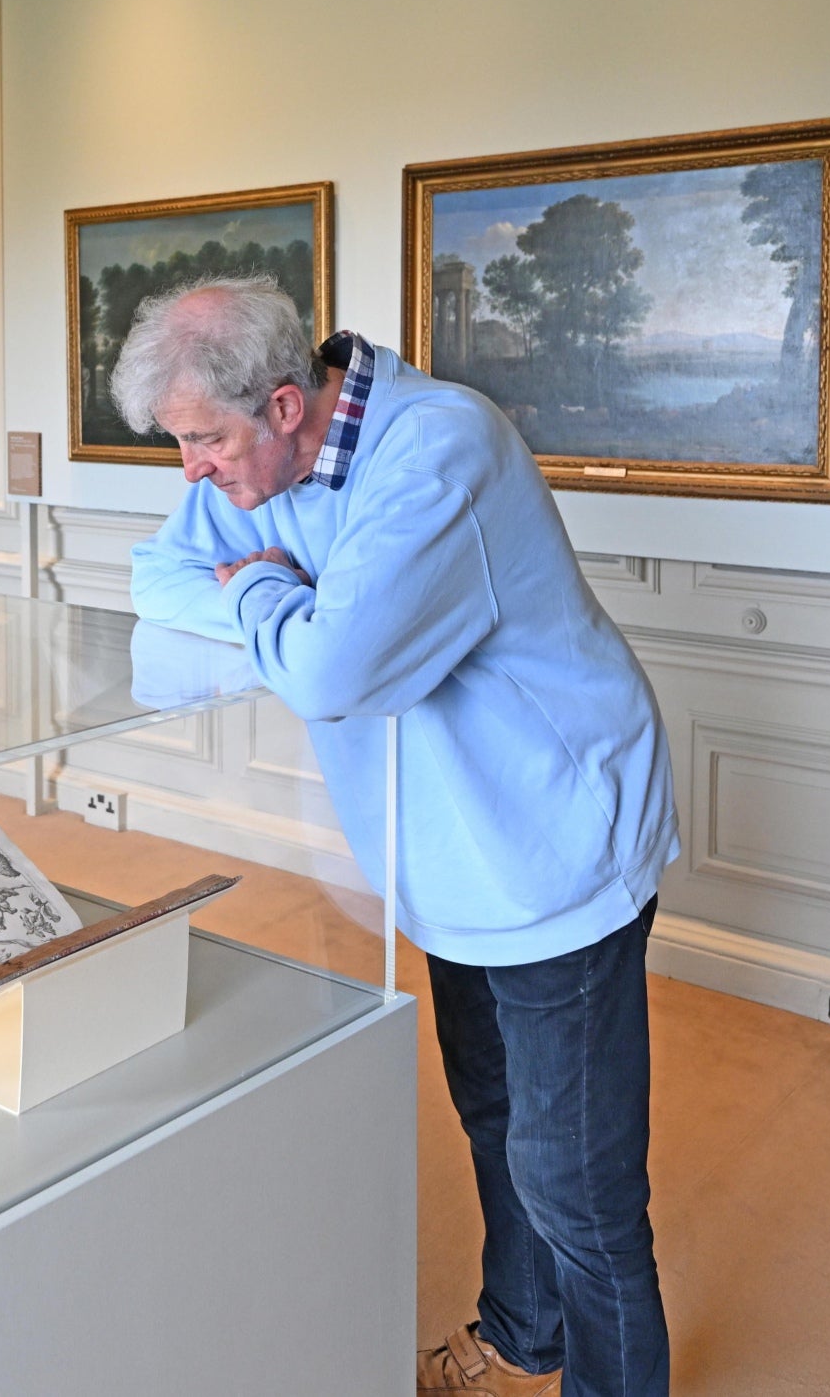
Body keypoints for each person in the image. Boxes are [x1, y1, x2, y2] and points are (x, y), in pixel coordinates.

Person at [117, 275, 679, 1397]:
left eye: (205, 443)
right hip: (444, 852)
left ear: (284, 405)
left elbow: (333, 674)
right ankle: (525, 1329)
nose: (193, 473)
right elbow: (154, 581)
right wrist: (275, 596)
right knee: (492, 1112)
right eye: (180, 445)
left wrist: (269, 595)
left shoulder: (438, 449)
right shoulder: (254, 463)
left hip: (550, 841)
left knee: (576, 1179)